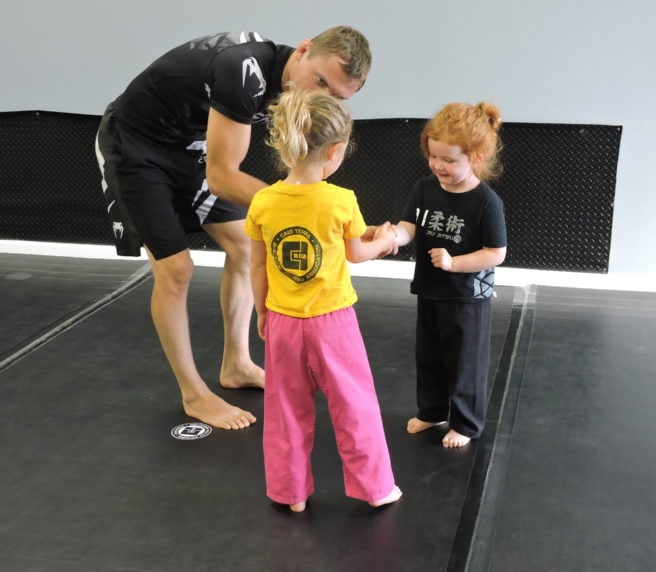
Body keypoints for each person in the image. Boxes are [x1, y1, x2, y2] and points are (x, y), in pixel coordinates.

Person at [94, 27, 371, 430]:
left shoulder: (292, 84)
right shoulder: (243, 71)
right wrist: (298, 208)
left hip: (187, 146)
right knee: (176, 270)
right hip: (134, 144)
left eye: (336, 96)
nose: (321, 96)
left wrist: (298, 205)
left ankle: (236, 364)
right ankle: (193, 393)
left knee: (244, 246)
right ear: (304, 49)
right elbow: (224, 178)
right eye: (320, 81)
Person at [245, 89, 402, 512]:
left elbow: (258, 266)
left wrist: (262, 311)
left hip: (281, 321)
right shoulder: (340, 199)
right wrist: (385, 239)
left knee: (285, 411)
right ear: (334, 151)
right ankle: (375, 488)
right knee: (355, 406)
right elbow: (356, 252)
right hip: (332, 324)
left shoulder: (263, 202)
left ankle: (289, 492)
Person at [390, 102, 507, 449]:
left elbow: (495, 253)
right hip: (430, 288)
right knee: (429, 355)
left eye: (449, 160)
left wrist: (454, 263)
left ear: (476, 158)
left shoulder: (486, 202)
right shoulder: (425, 188)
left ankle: (466, 423)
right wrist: (391, 237)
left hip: (467, 297)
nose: (438, 165)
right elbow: (409, 226)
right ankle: (432, 411)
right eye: (433, 156)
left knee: (464, 361)